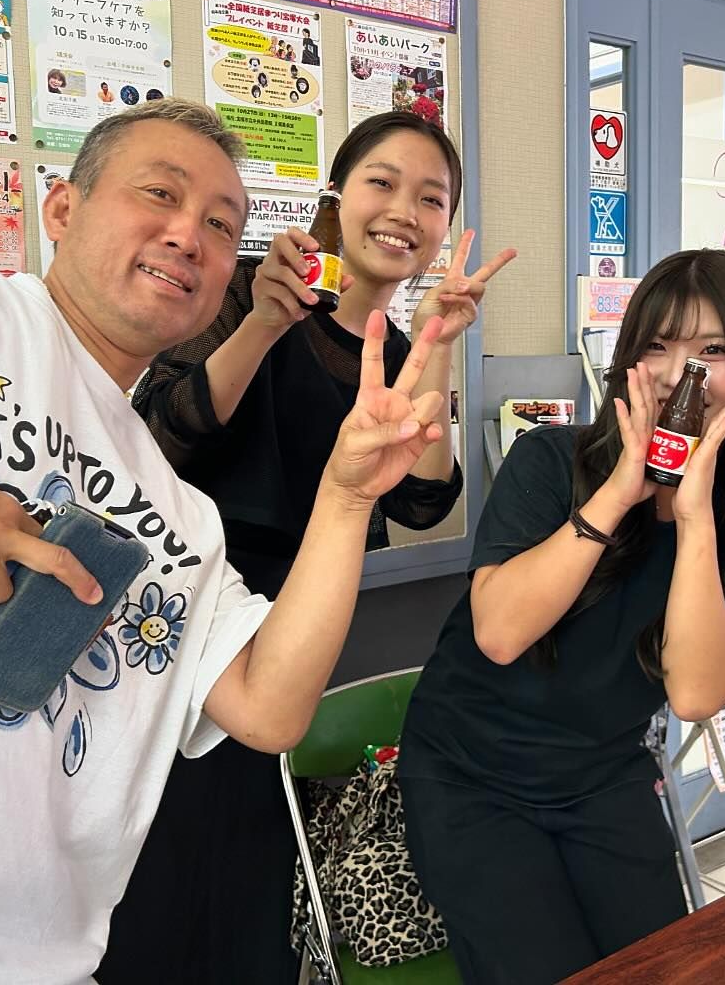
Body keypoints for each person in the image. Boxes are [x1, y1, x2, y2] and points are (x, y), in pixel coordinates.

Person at [0, 100, 449, 981]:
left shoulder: (178, 513)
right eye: (159, 193)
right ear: (63, 208)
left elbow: (270, 707)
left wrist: (348, 498)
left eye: (221, 225)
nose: (189, 234)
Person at [105, 110, 515, 984]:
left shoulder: (402, 350)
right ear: (336, 194)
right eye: (382, 182)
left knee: (262, 868)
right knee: (164, 871)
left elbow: (422, 500)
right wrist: (263, 323)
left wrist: (439, 345)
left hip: (306, 626)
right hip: (186, 623)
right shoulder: (248, 291)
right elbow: (161, 436)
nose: (403, 210)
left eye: (431, 198)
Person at [399, 249, 725, 984]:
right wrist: (619, 493)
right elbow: (499, 633)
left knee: (665, 967)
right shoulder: (551, 460)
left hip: (603, 775)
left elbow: (694, 693)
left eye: (712, 351)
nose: (678, 375)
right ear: (628, 361)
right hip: (468, 775)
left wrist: (695, 518)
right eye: (658, 345)